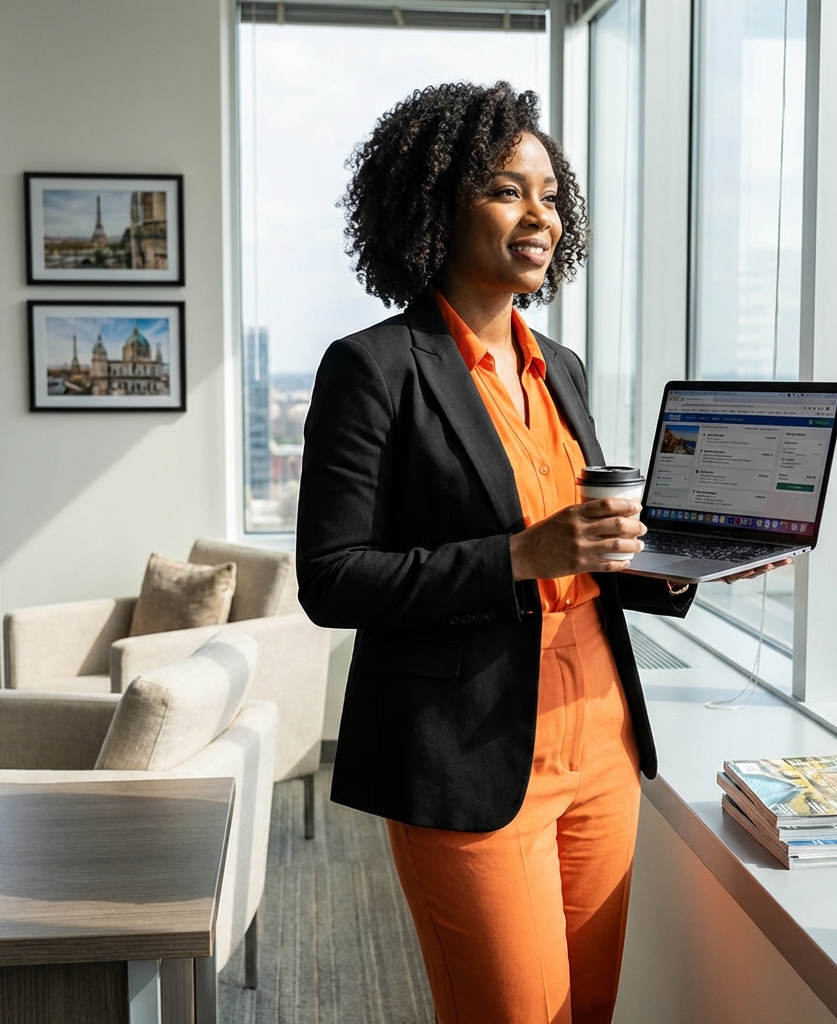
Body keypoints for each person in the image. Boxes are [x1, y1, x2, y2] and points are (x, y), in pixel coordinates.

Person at [296, 81, 785, 1024]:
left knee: (589, 1008)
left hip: (599, 739)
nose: (539, 215)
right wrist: (518, 555)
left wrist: (691, 563)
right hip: (470, 756)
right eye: (507, 189)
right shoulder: (372, 369)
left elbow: (582, 559)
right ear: (436, 201)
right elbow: (331, 579)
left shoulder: (559, 367)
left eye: (552, 195)